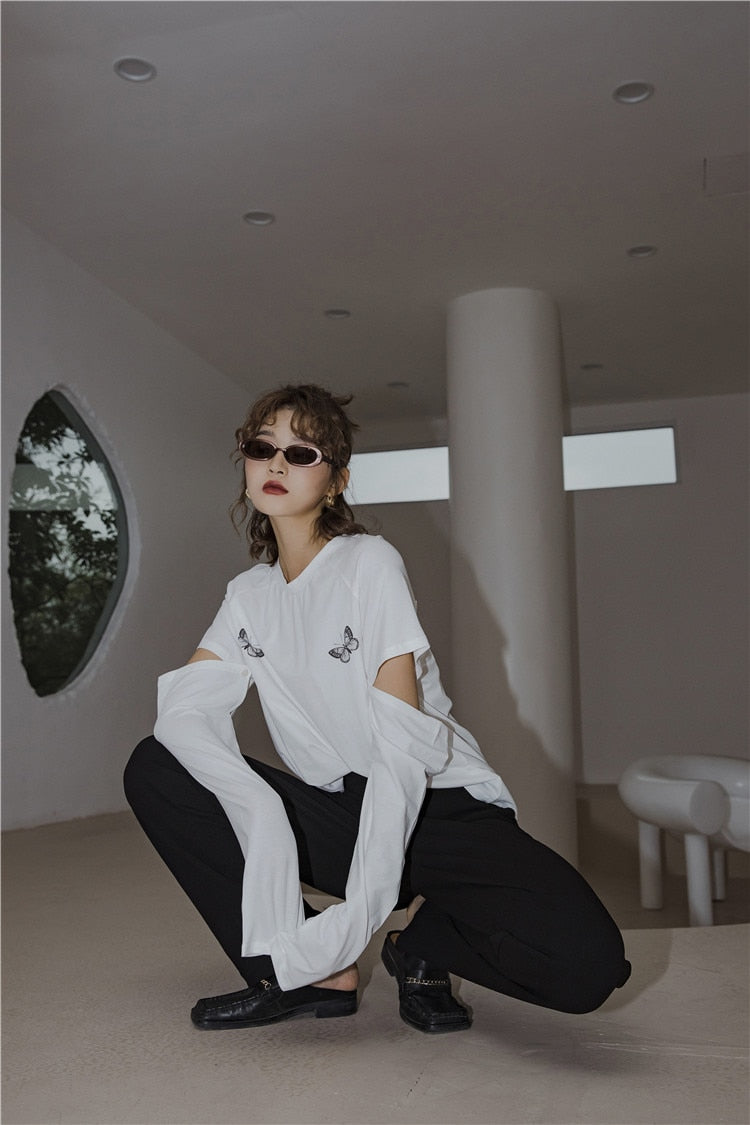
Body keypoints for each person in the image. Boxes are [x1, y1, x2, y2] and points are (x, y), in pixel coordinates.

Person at [124, 383, 630, 1034]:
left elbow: (399, 748)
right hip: (344, 810)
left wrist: (364, 907)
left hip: (437, 805)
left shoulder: (369, 564)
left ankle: (422, 942)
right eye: (262, 447)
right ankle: (299, 972)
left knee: (590, 967)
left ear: (336, 481)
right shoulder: (248, 595)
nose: (276, 463)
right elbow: (185, 711)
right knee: (157, 766)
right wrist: (259, 810)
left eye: (301, 453)